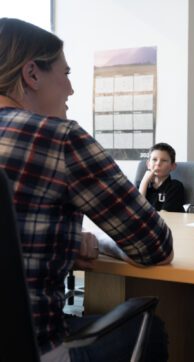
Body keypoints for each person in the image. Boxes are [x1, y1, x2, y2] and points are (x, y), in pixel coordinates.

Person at [0, 18, 173, 361]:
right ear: (32, 74)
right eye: (65, 74)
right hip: (35, 348)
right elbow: (155, 247)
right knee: (149, 329)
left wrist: (61, 240)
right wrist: (102, 243)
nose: (71, 89)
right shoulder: (59, 138)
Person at [138, 142, 185, 212]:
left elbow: (164, 215)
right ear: (148, 164)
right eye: (154, 159)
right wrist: (144, 182)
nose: (158, 163)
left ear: (172, 166)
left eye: (164, 160)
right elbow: (136, 211)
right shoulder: (141, 184)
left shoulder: (175, 186)